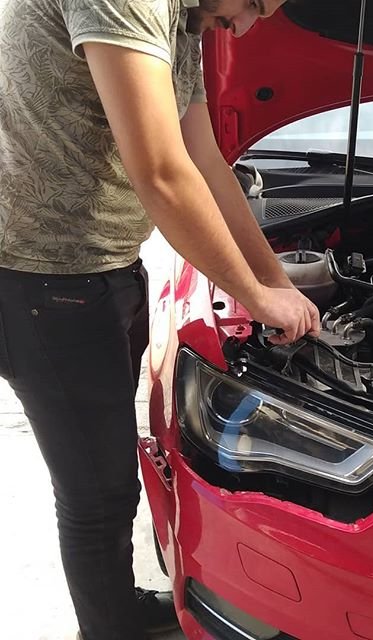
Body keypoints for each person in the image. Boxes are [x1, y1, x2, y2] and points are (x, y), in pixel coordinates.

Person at [0, 0, 320, 638]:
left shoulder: (184, 17)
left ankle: (116, 608)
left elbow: (204, 159)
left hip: (104, 269)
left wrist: (276, 282)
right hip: (44, 280)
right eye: (254, 5)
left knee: (109, 476)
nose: (246, 27)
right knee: (97, 496)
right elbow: (162, 171)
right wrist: (255, 298)